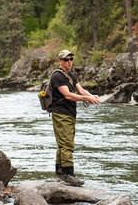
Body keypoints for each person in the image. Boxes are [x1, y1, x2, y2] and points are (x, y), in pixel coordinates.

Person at [51, 49, 100, 186]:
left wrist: (91, 96)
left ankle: (60, 173)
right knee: (67, 144)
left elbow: (80, 89)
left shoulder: (71, 75)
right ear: (60, 61)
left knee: (63, 145)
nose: (69, 62)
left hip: (69, 114)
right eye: (66, 60)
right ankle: (68, 175)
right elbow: (68, 95)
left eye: (71, 59)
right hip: (61, 114)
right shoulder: (57, 76)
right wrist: (86, 98)